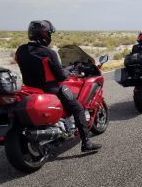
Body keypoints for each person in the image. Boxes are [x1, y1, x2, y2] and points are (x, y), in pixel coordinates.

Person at [15, 20, 101, 152]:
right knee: (77, 107)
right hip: (50, 89)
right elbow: (61, 76)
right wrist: (69, 70)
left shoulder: (20, 50)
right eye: (49, 34)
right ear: (45, 35)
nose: (50, 36)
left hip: (29, 89)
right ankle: (86, 142)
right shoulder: (48, 53)